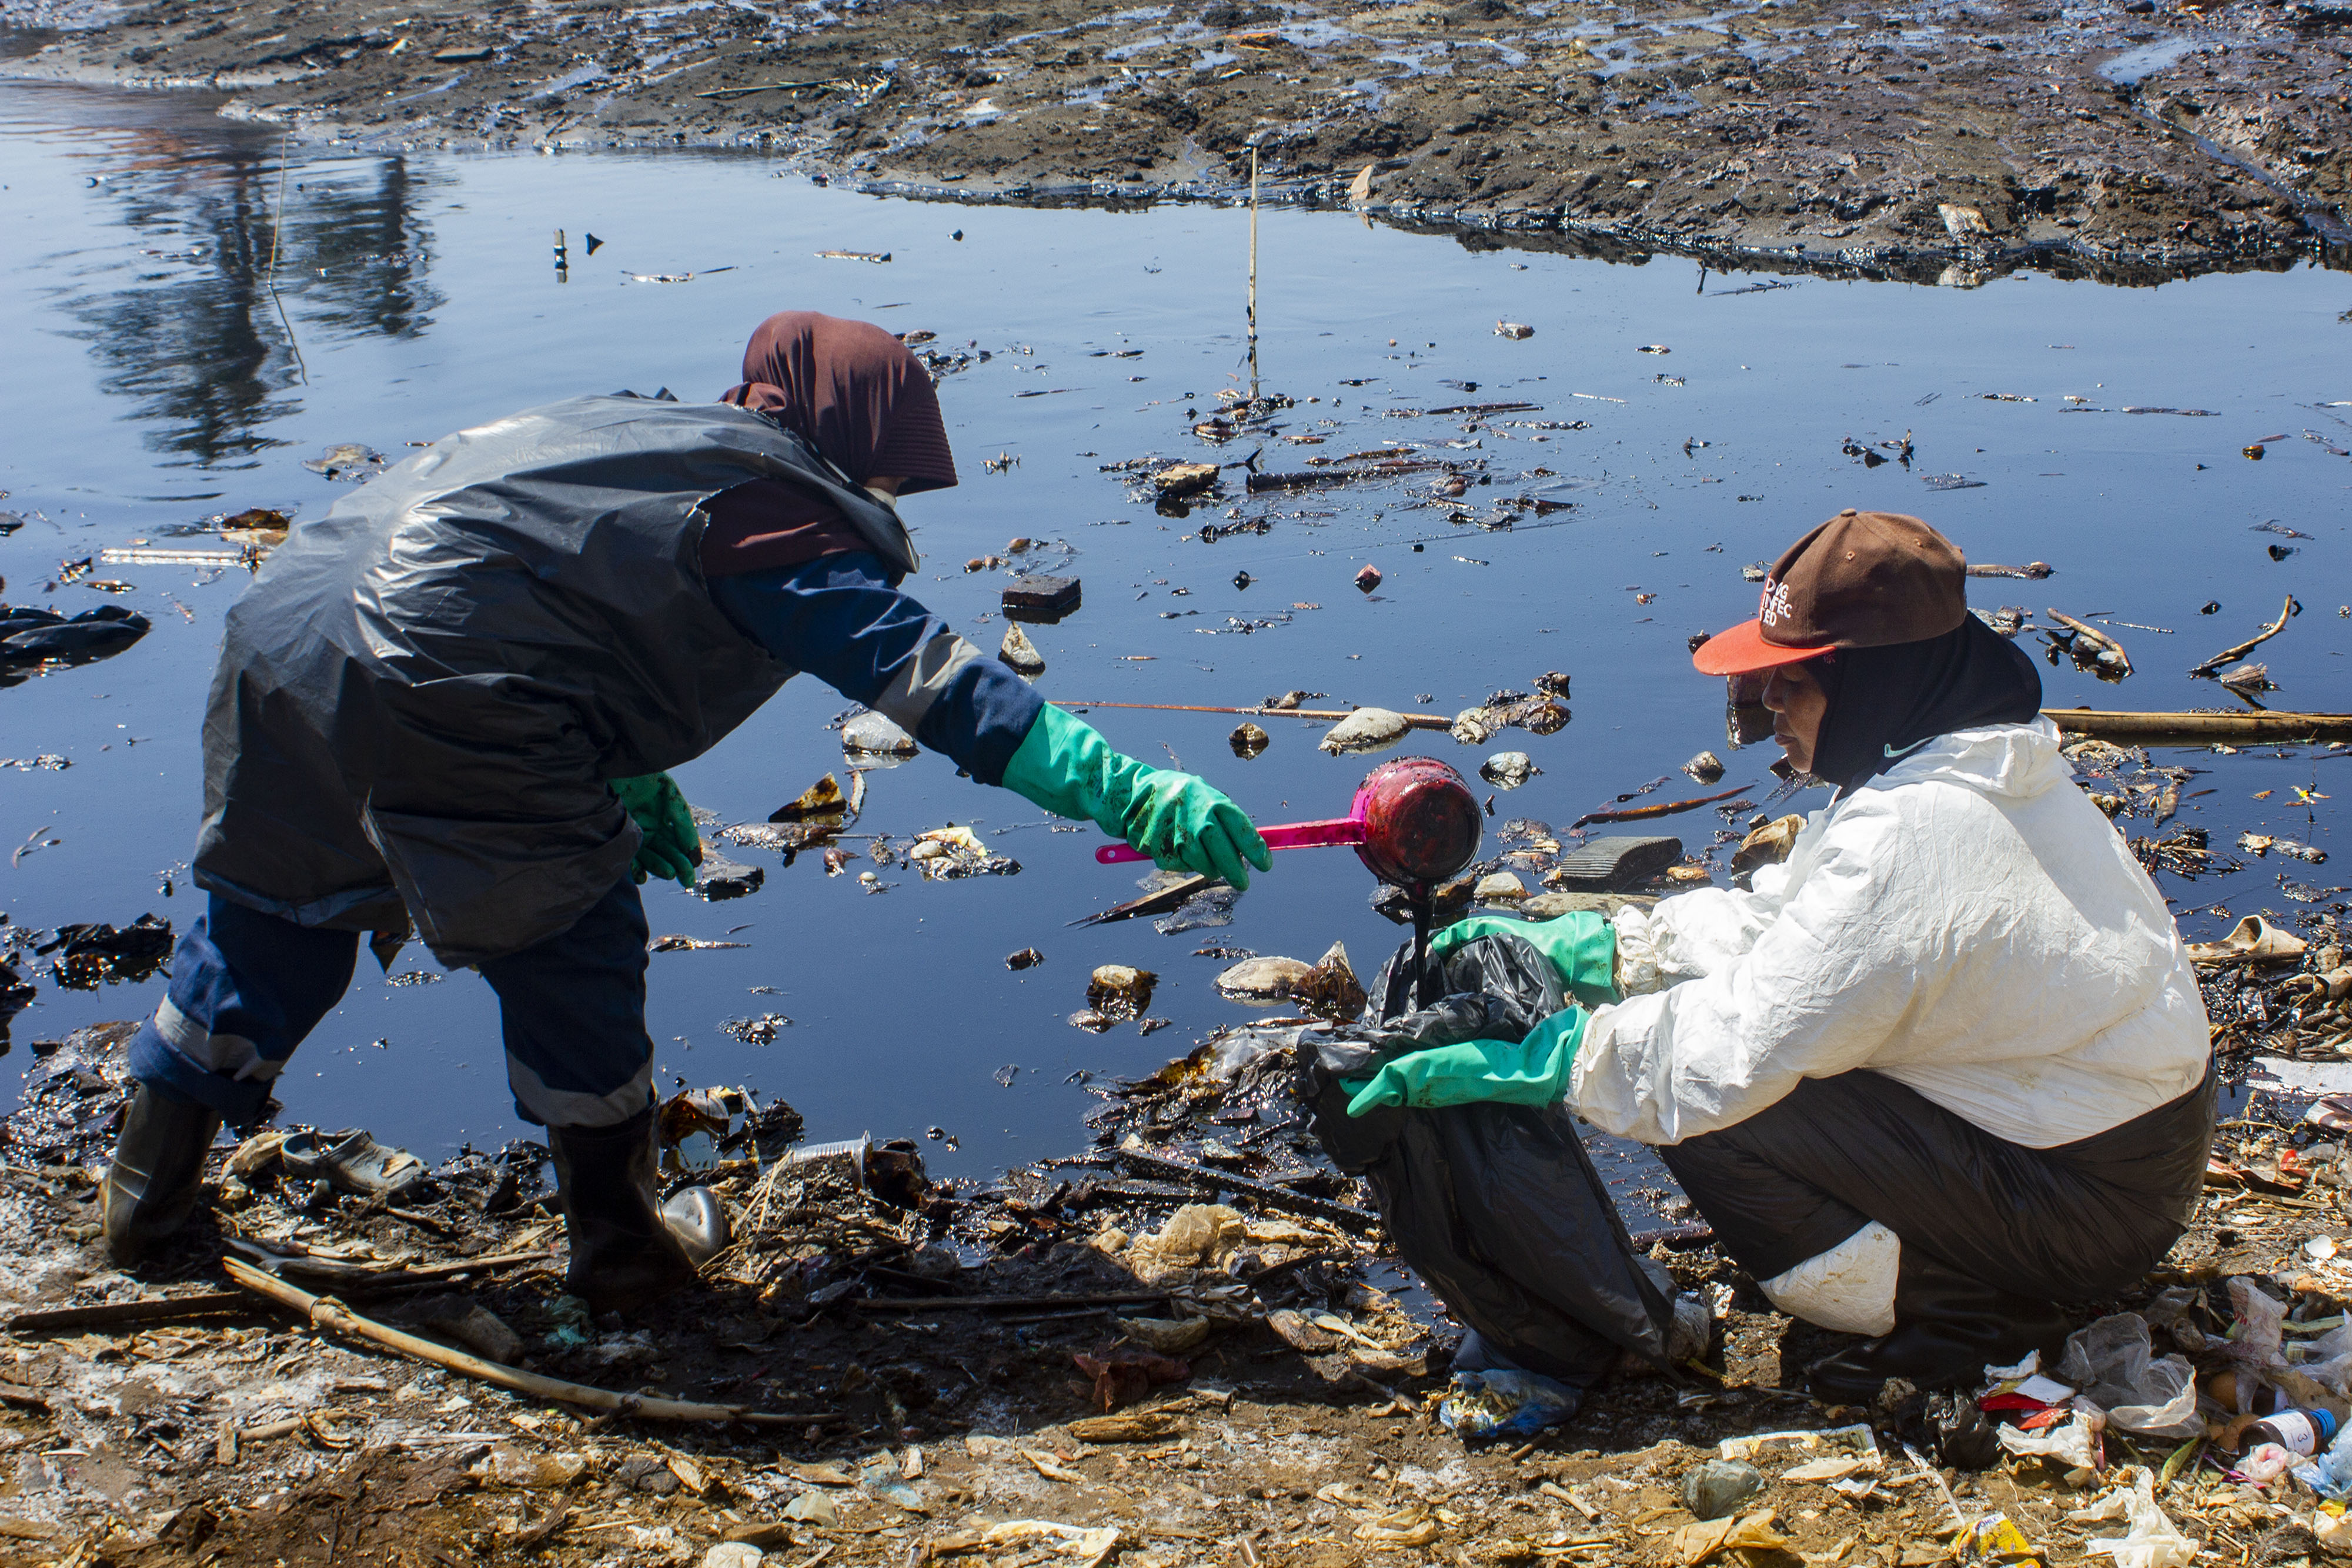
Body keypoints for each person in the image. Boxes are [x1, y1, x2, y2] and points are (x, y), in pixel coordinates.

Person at [103, 311, 1272, 1312]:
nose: (887, 497)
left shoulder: (645, 442)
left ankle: (144, 1204)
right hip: (443, 674)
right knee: (573, 935)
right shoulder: (772, 516)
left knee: (275, 908)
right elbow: (937, 686)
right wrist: (1126, 788)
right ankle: (622, 1254)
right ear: (853, 435)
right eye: (890, 474)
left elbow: (552, 578)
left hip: (289, 635)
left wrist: (618, 769)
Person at [1349, 510, 2213, 1399]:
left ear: (1873, 684)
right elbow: (1791, 928)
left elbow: (1733, 1049)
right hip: (2114, 1149)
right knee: (1722, 1048)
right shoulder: (1957, 768)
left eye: (1788, 686)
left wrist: (1552, 1061)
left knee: (1717, 1109)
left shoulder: (1916, 834)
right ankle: (1963, 1272)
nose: (1768, 711)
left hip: (2088, 1203)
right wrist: (1604, 947)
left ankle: (1972, 1315)